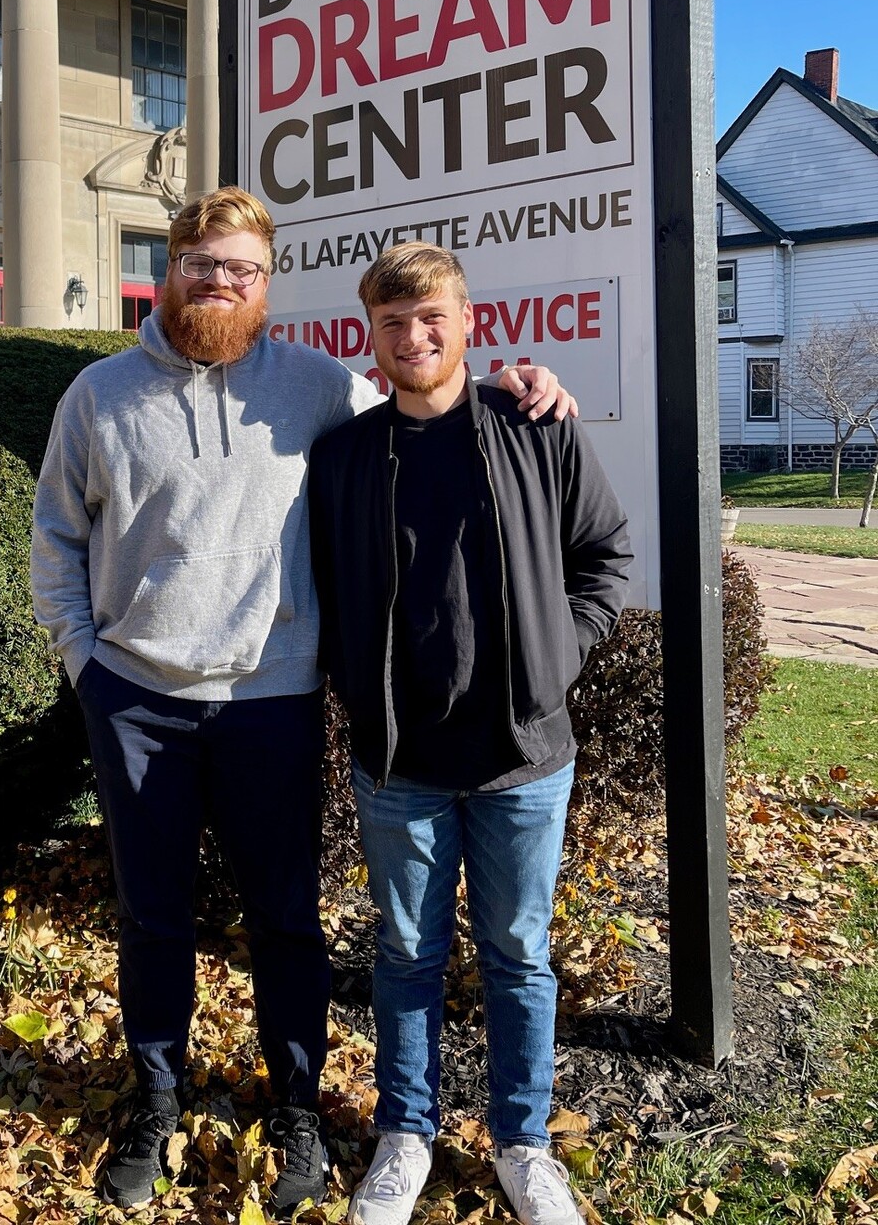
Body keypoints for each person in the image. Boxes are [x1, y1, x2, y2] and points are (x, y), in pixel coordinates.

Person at [30, 188, 577, 1217]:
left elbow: (428, 404)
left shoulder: (322, 386)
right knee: (152, 914)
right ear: (171, 268)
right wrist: (84, 664)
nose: (220, 282)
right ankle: (156, 1095)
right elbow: (57, 533)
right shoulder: (98, 395)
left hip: (271, 701)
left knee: (286, 918)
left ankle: (295, 1106)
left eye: (241, 269)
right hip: (136, 700)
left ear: (265, 283)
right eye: (202, 264)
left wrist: (522, 387)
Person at [307, 242, 632, 1225]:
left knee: (517, 957)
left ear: (466, 323)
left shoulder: (534, 427)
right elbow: (324, 589)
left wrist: (559, 655)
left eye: (430, 318)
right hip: (397, 762)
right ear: (371, 335)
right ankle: (404, 1133)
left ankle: (522, 1143)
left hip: (521, 759)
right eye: (393, 322)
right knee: (404, 956)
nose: (413, 337)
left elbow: (603, 553)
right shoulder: (345, 457)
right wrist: (351, 683)